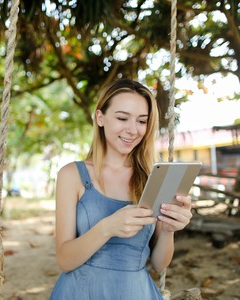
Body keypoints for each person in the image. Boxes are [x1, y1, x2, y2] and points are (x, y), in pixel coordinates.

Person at [50, 79, 193, 299]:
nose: (133, 130)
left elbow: (158, 264)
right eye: (122, 118)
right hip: (80, 292)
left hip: (136, 292)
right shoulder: (72, 175)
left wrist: (168, 230)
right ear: (100, 118)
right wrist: (108, 227)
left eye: (142, 121)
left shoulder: (152, 178)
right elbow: (64, 260)